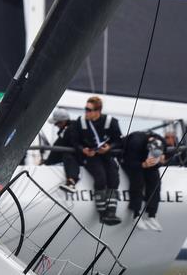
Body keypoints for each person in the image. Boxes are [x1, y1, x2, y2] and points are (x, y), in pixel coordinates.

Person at [72, 96, 122, 225]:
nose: (86, 112)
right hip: (90, 156)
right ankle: (102, 213)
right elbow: (74, 142)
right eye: (85, 109)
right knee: (101, 178)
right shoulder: (80, 122)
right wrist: (83, 150)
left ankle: (111, 212)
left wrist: (109, 147)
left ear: (97, 111)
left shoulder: (110, 122)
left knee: (114, 177)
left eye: (89, 110)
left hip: (106, 155)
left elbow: (118, 140)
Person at [122, 131, 165, 231]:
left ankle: (152, 215)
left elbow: (163, 156)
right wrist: (143, 165)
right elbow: (129, 162)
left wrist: (161, 159)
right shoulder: (135, 143)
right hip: (130, 160)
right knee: (138, 181)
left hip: (146, 161)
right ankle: (136, 215)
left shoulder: (161, 142)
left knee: (155, 181)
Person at [43, 108, 81, 192]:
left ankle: (71, 181)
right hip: (78, 155)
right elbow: (57, 148)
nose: (55, 125)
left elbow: (58, 147)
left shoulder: (69, 130)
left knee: (68, 156)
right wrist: (47, 162)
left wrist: (47, 163)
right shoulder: (68, 129)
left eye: (56, 123)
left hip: (80, 157)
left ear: (62, 122)